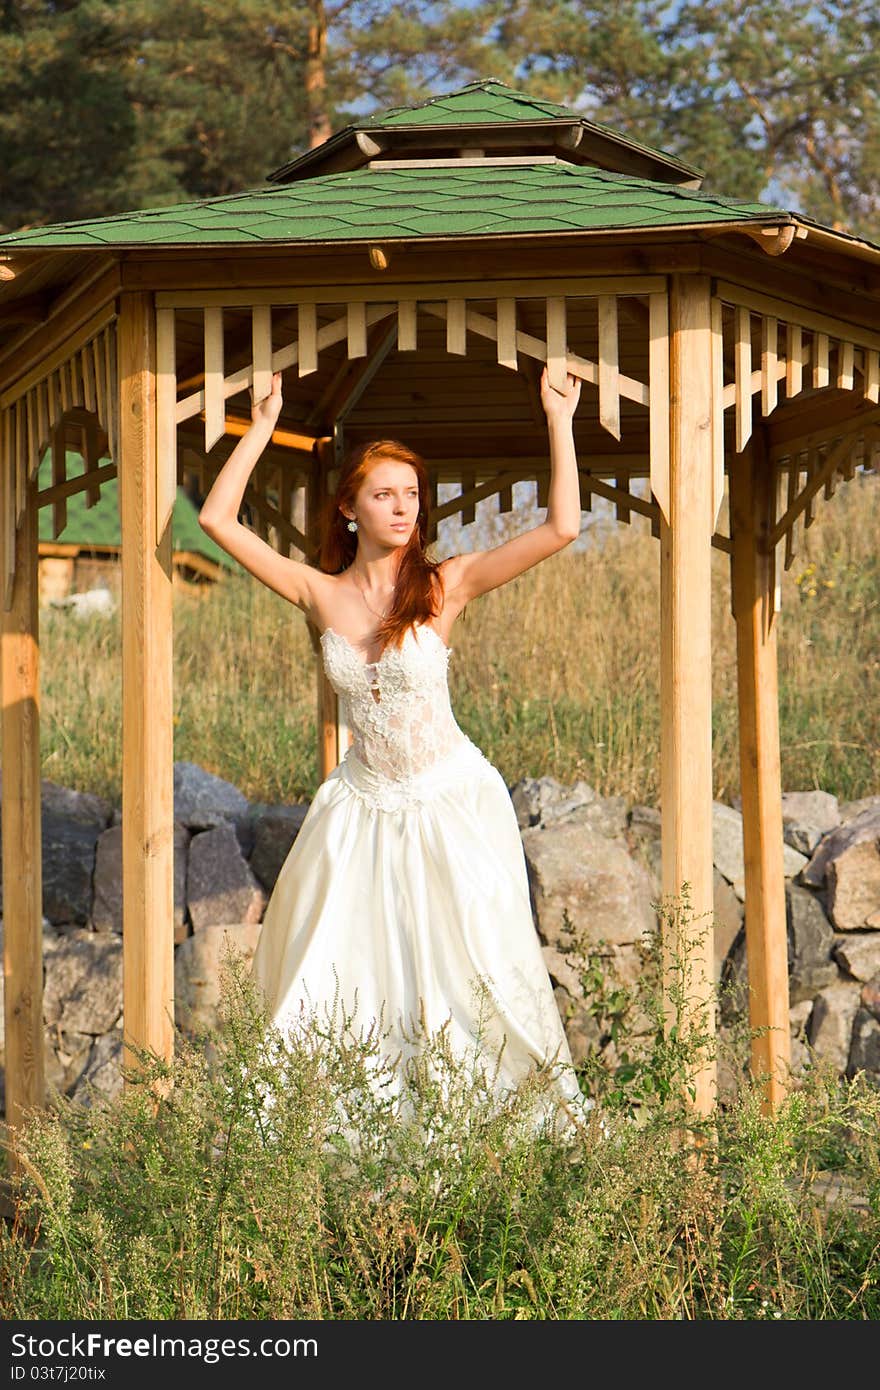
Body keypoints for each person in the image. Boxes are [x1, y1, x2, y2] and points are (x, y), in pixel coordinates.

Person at [198, 364, 592, 1138]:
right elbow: (217, 520)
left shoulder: (447, 586)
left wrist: (559, 418)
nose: (403, 507)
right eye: (384, 494)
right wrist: (261, 425)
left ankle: (496, 1141)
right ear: (349, 508)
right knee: (336, 983)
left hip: (452, 805)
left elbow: (563, 529)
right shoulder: (320, 593)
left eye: (412, 494)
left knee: (477, 979)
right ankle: (340, 1154)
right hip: (360, 814)